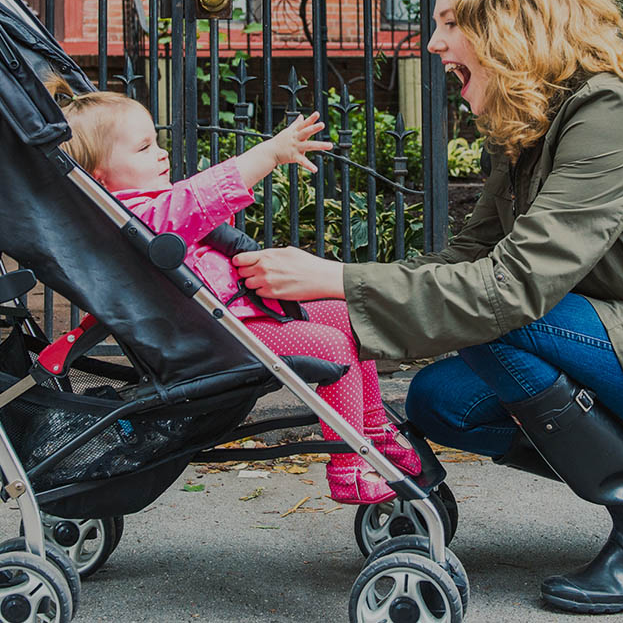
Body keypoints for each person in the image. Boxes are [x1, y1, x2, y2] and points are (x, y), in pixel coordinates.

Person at [230, 0, 623, 614]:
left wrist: (336, 279)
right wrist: (333, 293)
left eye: (450, 22)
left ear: (508, 22)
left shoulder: (613, 110)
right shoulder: (532, 123)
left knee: (503, 316)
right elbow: (466, 265)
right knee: (439, 403)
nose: (432, 44)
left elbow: (510, 288)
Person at [47, 77, 421, 505]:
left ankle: (373, 430)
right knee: (331, 346)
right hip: (214, 342)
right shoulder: (131, 219)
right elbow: (200, 199)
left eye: (157, 142)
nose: (162, 153)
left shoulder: (146, 211)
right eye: (144, 148)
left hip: (240, 320)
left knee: (346, 315)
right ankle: (349, 467)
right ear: (99, 175)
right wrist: (267, 155)